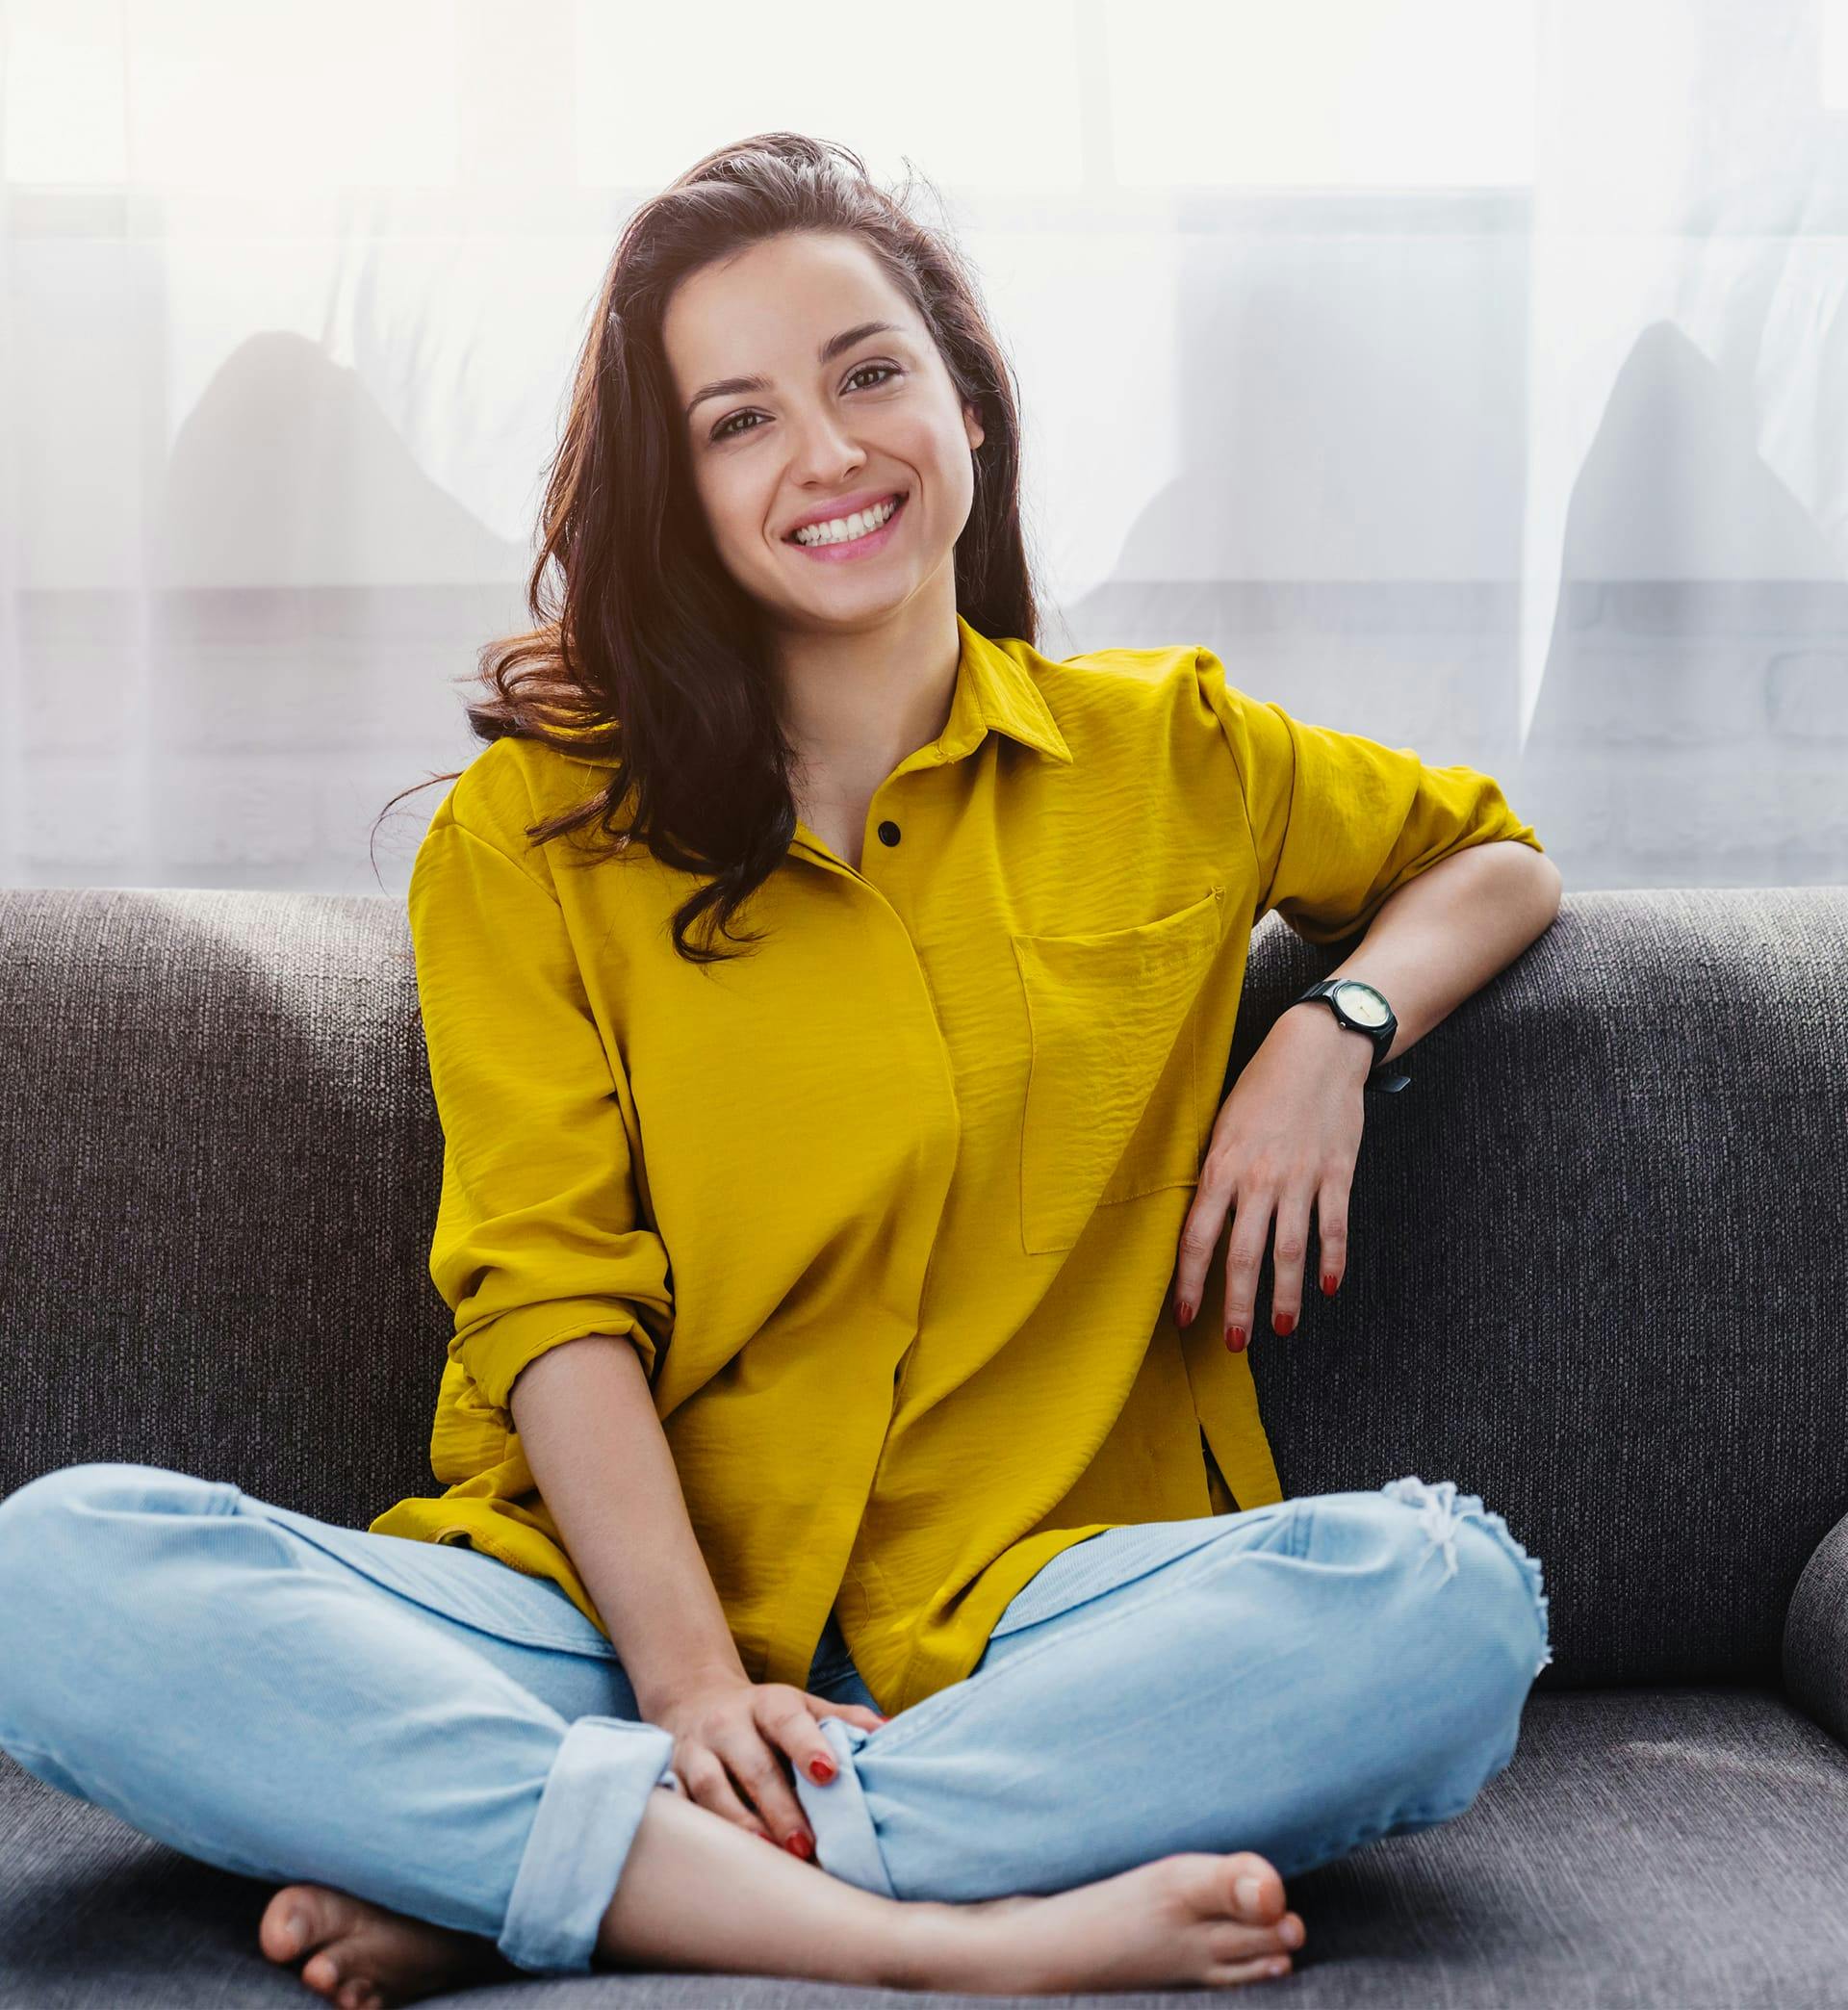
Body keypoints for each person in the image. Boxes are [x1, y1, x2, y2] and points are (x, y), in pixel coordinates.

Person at [0, 133, 1560, 2006]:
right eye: (738, 420)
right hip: (580, 1621)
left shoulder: (1177, 756)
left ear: (966, 403)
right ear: (684, 493)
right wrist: (689, 1690)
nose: (828, 453)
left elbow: (1493, 861)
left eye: (869, 372)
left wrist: (1332, 1028)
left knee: (1448, 1606)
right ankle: (923, 1942)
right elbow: (548, 1298)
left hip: (1030, 1620)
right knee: (53, 1571)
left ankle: (558, 1878)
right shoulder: (533, 835)